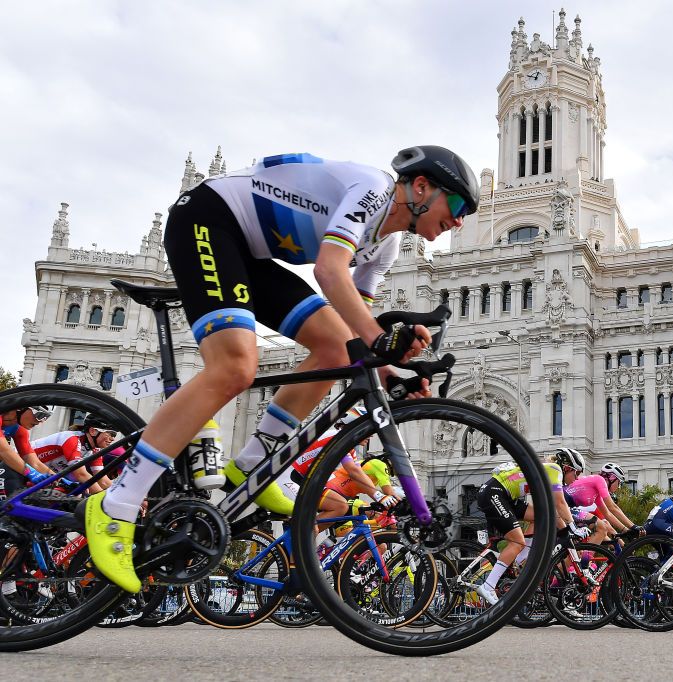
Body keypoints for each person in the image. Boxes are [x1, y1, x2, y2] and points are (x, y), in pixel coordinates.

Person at [86, 146, 479, 592]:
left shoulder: (385, 246)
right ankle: (117, 503)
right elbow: (330, 272)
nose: (459, 221)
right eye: (459, 205)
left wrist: (386, 370)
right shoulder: (374, 189)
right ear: (422, 188)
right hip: (208, 220)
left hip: (249, 252)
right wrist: (378, 339)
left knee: (333, 348)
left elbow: (352, 333)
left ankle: (253, 466)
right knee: (236, 365)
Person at [475, 456, 578, 605]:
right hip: (495, 493)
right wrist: (573, 527)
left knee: (543, 516)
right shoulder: (555, 470)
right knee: (517, 542)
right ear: (567, 468)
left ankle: (518, 561)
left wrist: (565, 532)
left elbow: (551, 512)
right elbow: (560, 503)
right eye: (576, 473)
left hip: (505, 496)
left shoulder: (546, 475)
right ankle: (488, 586)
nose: (577, 478)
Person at [30, 414, 115, 495]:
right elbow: (81, 474)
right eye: (110, 433)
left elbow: (102, 480)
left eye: (115, 435)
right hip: (25, 465)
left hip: (41, 473)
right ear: (92, 431)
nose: (113, 438)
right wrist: (103, 499)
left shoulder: (95, 450)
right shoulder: (72, 439)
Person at [564, 462, 641, 545]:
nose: (618, 487)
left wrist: (626, 530)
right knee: (602, 528)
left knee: (573, 553)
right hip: (562, 507)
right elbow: (612, 507)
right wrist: (633, 526)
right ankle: (585, 558)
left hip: (565, 509)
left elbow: (608, 514)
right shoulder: (599, 480)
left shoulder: (596, 494)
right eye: (619, 483)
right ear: (612, 478)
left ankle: (583, 557)